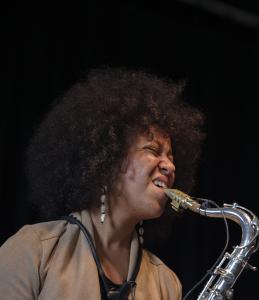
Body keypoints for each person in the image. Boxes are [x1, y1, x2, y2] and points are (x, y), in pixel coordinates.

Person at [0, 68, 205, 299]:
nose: (170, 166)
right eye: (153, 150)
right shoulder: (32, 250)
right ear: (108, 161)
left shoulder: (167, 284)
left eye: (171, 157)